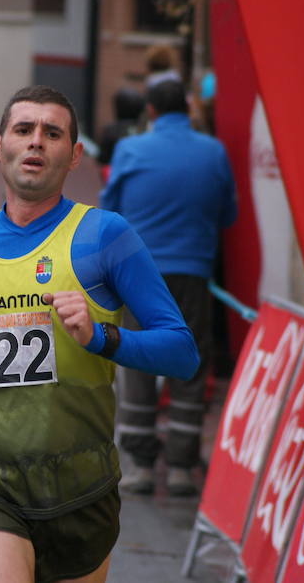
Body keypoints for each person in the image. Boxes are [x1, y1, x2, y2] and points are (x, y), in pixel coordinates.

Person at [0, 85, 199, 583]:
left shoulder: (106, 236)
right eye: (24, 130)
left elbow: (183, 353)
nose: (37, 142)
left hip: (79, 485)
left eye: (52, 133)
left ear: (74, 155)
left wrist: (103, 338)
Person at [100, 80, 237, 497]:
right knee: (189, 361)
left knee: (138, 358)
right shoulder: (212, 151)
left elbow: (108, 213)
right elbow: (227, 213)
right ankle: (180, 466)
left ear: (151, 111)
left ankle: (140, 464)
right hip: (192, 270)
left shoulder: (130, 150)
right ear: (188, 108)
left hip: (137, 272)